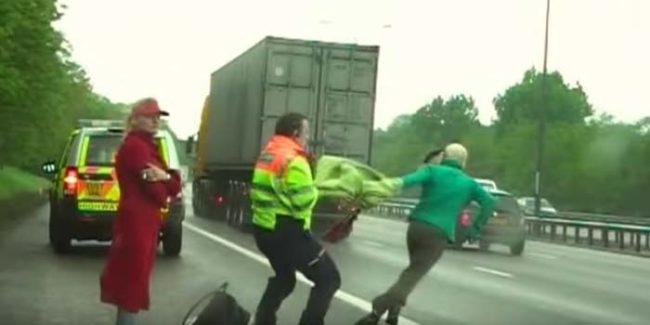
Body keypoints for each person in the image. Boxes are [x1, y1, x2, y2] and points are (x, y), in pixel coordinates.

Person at [356, 143, 496, 325]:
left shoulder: (431, 171)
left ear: (445, 157)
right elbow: (490, 202)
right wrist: (475, 228)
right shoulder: (469, 184)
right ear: (464, 162)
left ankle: (393, 315)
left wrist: (382, 187)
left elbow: (406, 181)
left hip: (416, 228)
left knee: (410, 272)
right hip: (438, 233)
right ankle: (377, 311)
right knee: (412, 276)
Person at [250, 112, 341, 325]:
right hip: (287, 232)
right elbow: (302, 201)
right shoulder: (295, 159)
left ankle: (262, 320)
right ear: (296, 132)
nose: (307, 137)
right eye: (306, 132)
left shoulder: (269, 153)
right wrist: (316, 190)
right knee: (329, 279)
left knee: (285, 279)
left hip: (263, 230)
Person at [100, 98, 181, 325]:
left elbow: (173, 183)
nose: (155, 120)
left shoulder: (148, 147)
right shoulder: (136, 147)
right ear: (135, 120)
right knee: (131, 286)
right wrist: (166, 181)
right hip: (136, 224)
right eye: (149, 116)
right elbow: (158, 193)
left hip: (143, 222)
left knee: (133, 283)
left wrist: (165, 177)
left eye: (158, 117)